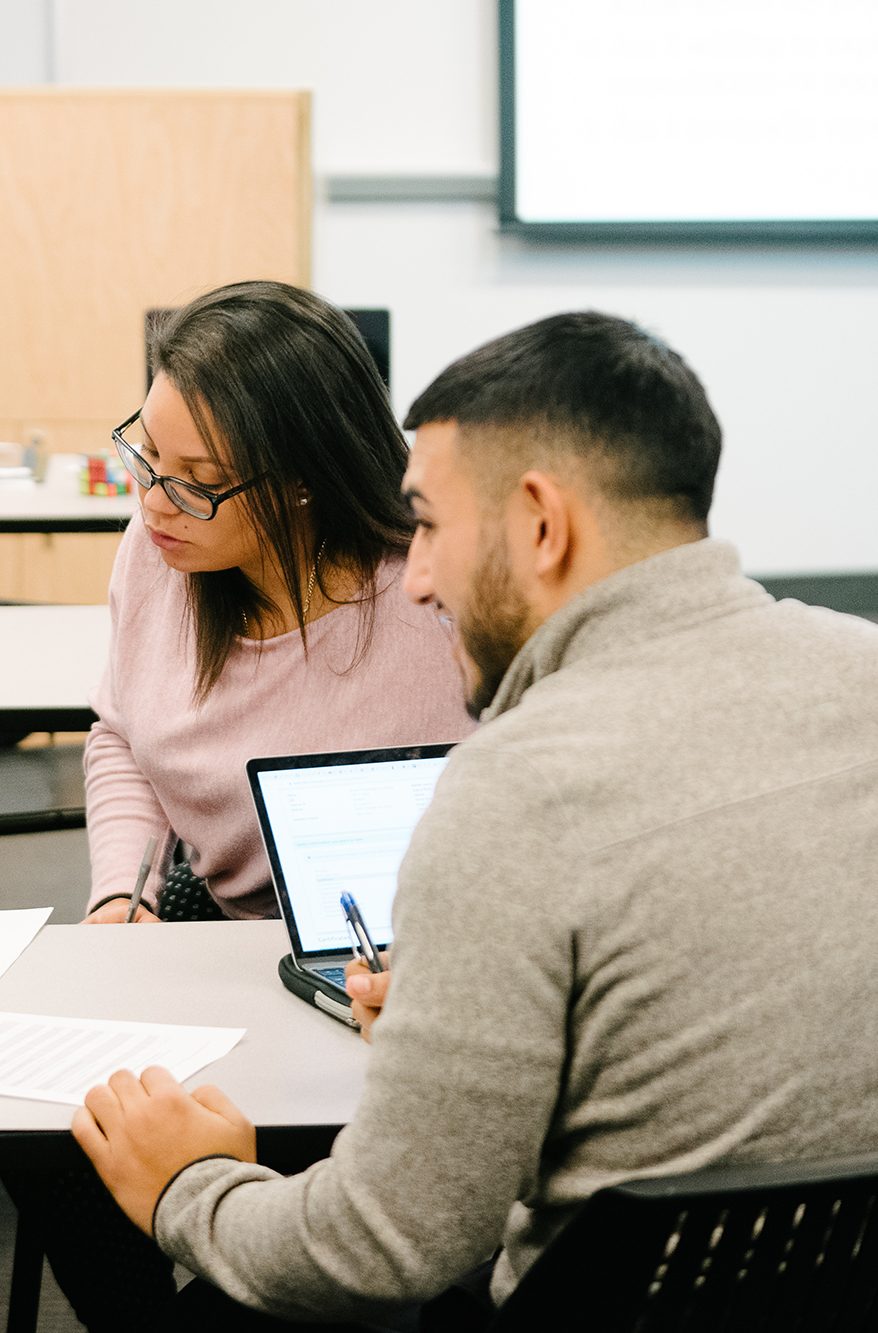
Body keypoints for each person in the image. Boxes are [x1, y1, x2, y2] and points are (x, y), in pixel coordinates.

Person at [72, 312, 878, 1329]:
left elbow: (374, 1247)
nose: (413, 577)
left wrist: (189, 1184)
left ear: (539, 523)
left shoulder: (508, 795)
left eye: (430, 527)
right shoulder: (863, 668)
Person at [83, 281, 473, 927]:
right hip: (222, 927)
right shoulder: (160, 548)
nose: (152, 500)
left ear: (302, 483)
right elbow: (122, 738)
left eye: (198, 481)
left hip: (406, 937)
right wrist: (122, 891)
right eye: (148, 453)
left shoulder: (434, 598)